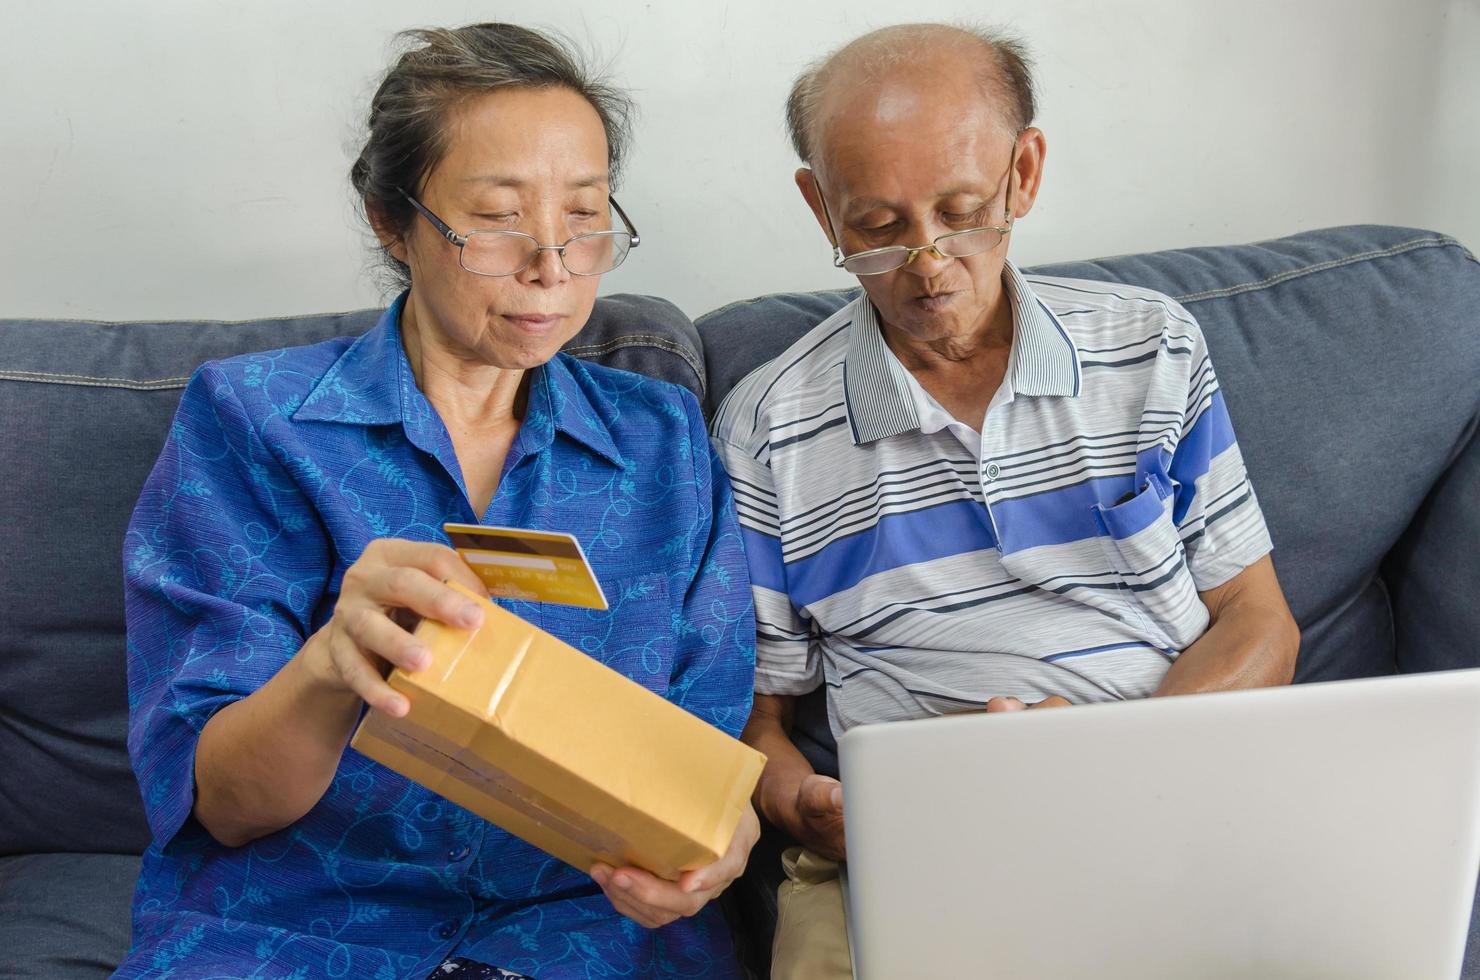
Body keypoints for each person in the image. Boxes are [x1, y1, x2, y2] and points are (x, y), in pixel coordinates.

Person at [119, 23, 758, 979]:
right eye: (499, 216)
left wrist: (718, 849)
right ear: (392, 218)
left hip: (585, 933)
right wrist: (331, 669)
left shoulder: (661, 441)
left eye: (585, 215)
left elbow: (705, 757)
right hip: (305, 928)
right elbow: (224, 803)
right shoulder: (254, 423)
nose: (552, 263)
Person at [709, 22, 1301, 978]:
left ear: (1024, 172)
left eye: (963, 210)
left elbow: (1259, 623)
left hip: (1168, 791)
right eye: (878, 227)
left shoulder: (1153, 348)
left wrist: (1112, 766)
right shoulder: (768, 428)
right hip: (916, 840)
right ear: (820, 207)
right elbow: (756, 720)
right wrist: (802, 803)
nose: (930, 264)